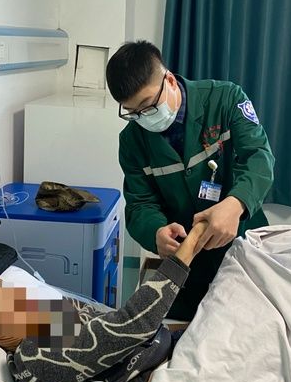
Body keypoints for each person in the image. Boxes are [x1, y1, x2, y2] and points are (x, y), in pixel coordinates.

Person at [106, 40, 275, 320]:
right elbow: (140, 205)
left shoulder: (225, 99)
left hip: (243, 243)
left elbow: (258, 156)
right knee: (191, 331)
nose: (143, 118)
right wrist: (156, 232)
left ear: (170, 81)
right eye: (132, 112)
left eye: (147, 106)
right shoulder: (132, 142)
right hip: (188, 260)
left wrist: (235, 204)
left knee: (252, 321)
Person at [0, 222, 209, 382]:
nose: (14, 293)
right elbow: (130, 326)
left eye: (4, 287)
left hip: (174, 346)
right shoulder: (31, 358)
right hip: (168, 376)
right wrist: (192, 242)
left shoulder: (45, 318)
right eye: (0, 297)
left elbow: (117, 323)